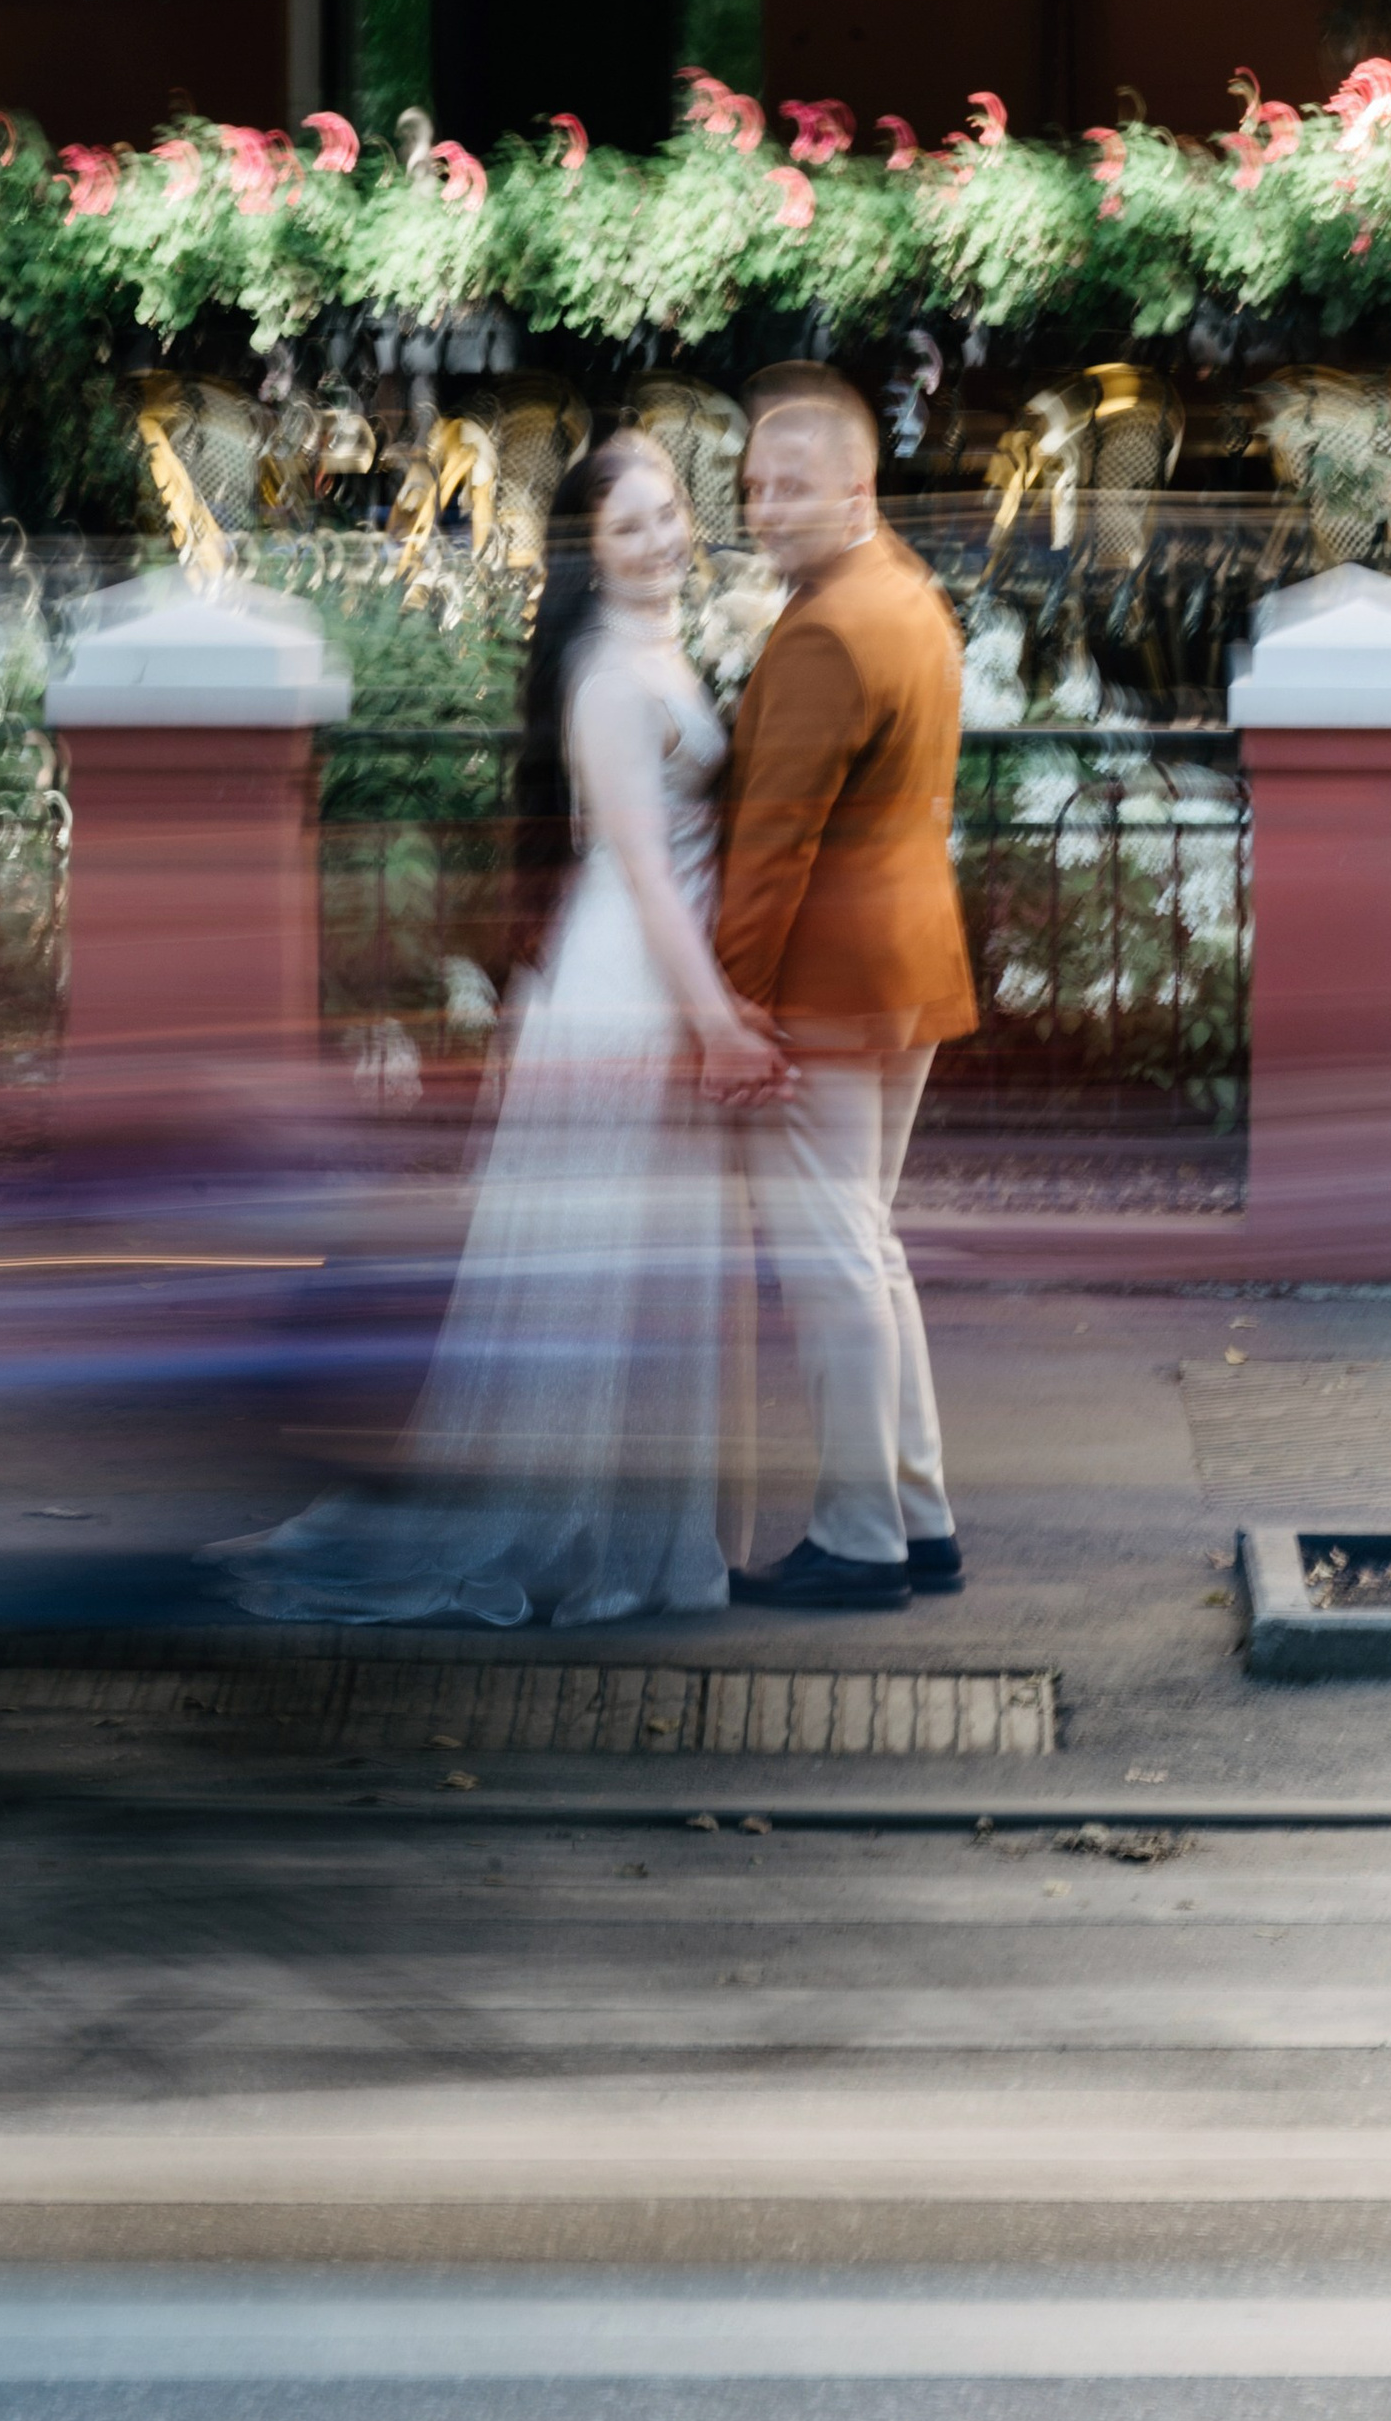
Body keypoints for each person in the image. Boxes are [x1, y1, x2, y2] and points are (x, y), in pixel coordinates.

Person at [213, 428, 788, 1627]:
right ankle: (584, 1531)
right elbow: (638, 871)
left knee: (646, 1272)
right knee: (602, 1277)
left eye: (669, 512)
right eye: (629, 526)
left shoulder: (662, 651)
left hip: (656, 980)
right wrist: (720, 1025)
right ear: (590, 550)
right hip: (626, 994)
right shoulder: (603, 682)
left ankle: (652, 1531)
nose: (661, 539)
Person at [714, 378, 977, 1610]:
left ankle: (861, 1534)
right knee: (864, 1250)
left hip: (820, 985)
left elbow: (771, 850)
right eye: (755, 488)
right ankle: (916, 1514)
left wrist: (731, 1009)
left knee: (829, 1264)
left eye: (791, 487)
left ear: (856, 488)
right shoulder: (910, 596)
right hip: (902, 972)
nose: (764, 510)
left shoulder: (822, 631)